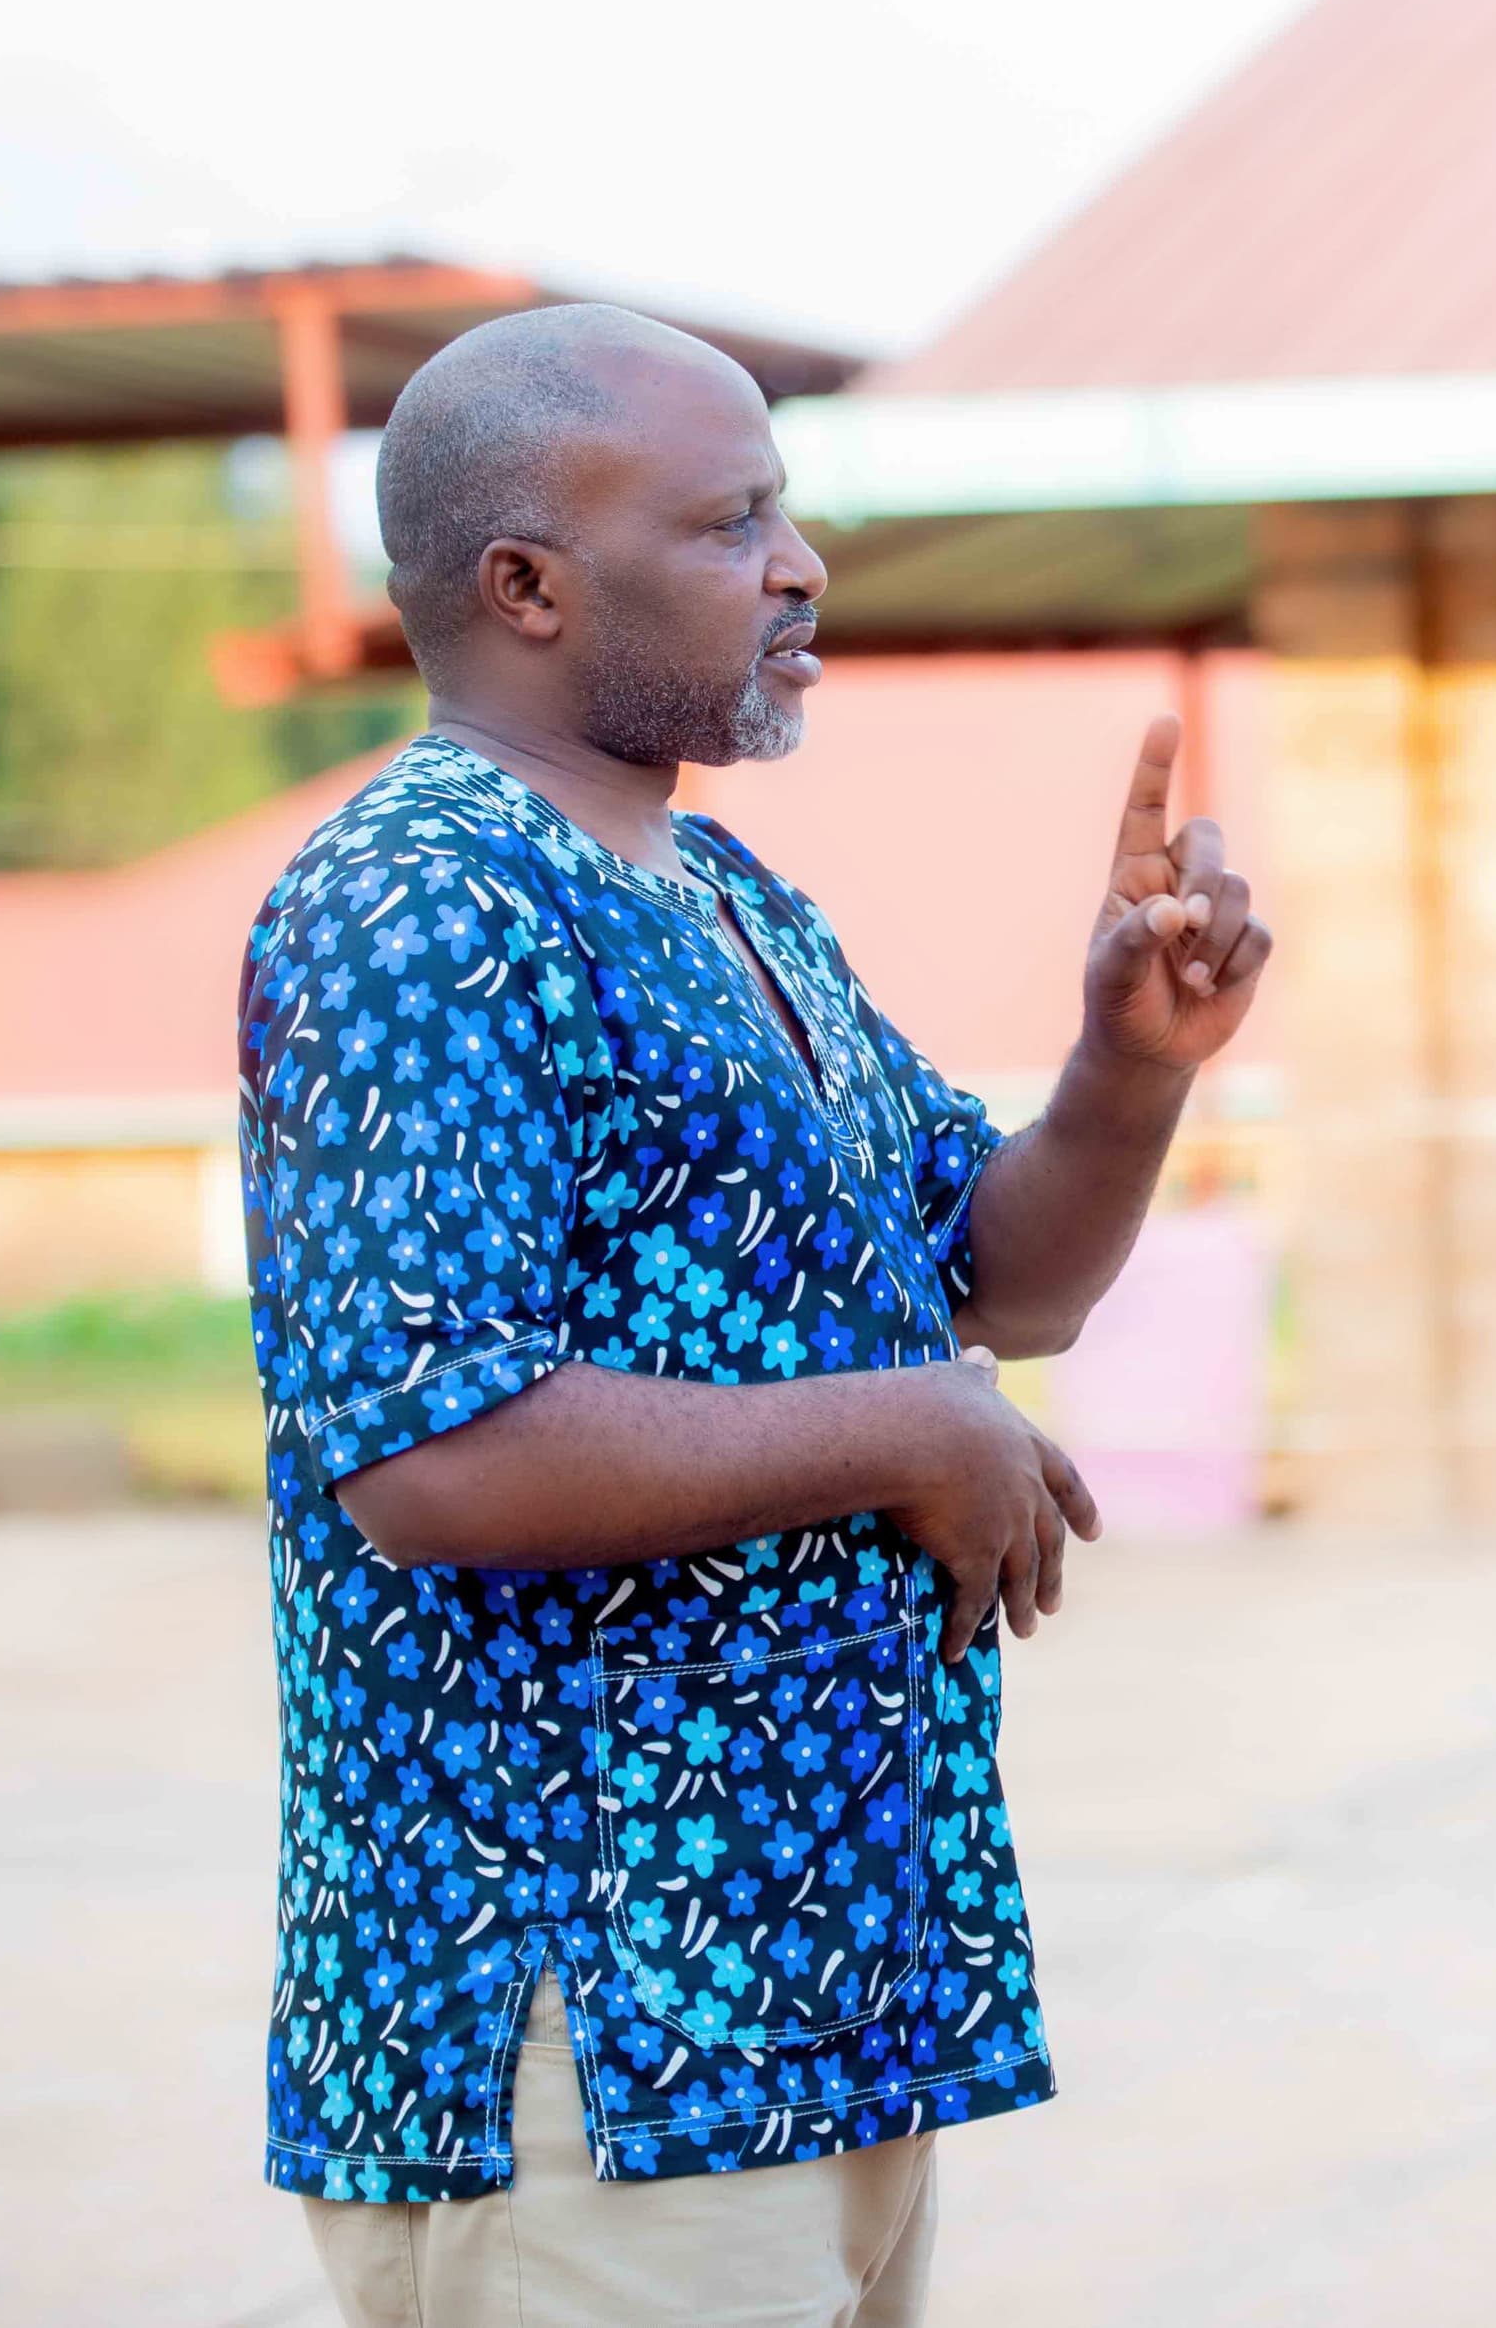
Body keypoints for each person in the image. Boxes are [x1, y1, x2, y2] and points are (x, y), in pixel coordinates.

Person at [244, 304, 1271, 2326]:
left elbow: (997, 1278)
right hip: (576, 2023)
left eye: (784, 513)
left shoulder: (720, 893)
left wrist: (1131, 1063)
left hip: (811, 1993)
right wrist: (912, 1430)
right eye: (730, 527)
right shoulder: (418, 905)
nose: (801, 569)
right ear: (527, 586)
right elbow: (435, 1454)